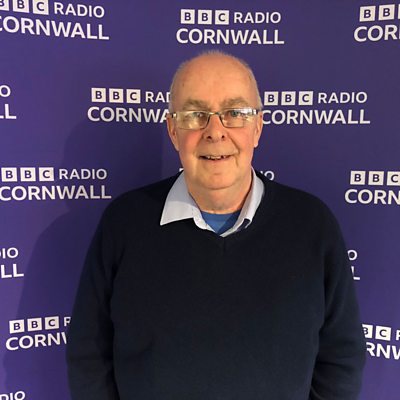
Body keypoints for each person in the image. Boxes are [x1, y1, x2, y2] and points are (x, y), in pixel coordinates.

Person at [66, 51, 366, 399]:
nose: (215, 132)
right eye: (195, 115)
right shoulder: (124, 222)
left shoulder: (313, 224)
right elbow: (89, 354)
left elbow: (341, 359)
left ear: (257, 128)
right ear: (173, 131)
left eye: (234, 113)